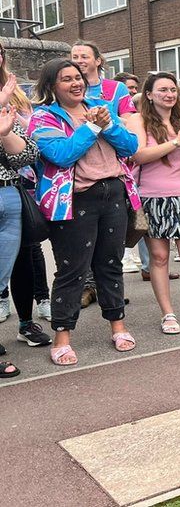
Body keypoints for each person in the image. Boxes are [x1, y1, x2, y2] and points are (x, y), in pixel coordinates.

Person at [29, 58, 139, 365]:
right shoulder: (43, 118)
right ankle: (62, 336)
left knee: (110, 264)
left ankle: (118, 325)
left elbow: (130, 146)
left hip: (113, 193)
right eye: (66, 79)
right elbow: (62, 155)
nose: (76, 83)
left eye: (78, 77)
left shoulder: (101, 107)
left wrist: (106, 124)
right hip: (75, 201)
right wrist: (92, 126)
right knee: (71, 269)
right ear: (51, 86)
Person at [129, 72, 180, 333]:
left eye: (173, 90)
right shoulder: (137, 120)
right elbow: (138, 156)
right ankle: (168, 314)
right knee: (160, 257)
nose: (169, 94)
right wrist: (177, 142)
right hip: (151, 199)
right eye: (163, 89)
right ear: (149, 95)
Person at [71, 41, 139, 308]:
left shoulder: (115, 88)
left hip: (114, 167)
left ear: (98, 60)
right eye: (74, 56)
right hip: (81, 171)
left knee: (112, 238)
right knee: (85, 238)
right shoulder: (68, 88)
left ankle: (109, 287)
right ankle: (88, 287)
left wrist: (108, 123)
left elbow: (130, 121)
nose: (79, 60)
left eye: (84, 56)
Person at [0, 67, 45, 377]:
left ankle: (26, 323)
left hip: (9, 196)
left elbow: (27, 155)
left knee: (2, 277)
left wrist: (4, 134)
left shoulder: (10, 100)